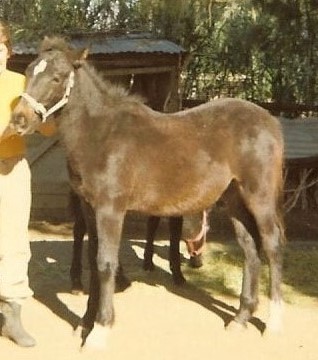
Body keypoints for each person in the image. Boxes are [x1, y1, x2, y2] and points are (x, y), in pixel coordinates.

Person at [0, 20, 55, 347]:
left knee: (15, 243)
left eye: (1, 44)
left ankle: (12, 317)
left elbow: (48, 129)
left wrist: (40, 122)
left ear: (8, 49)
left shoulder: (22, 82)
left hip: (14, 169)